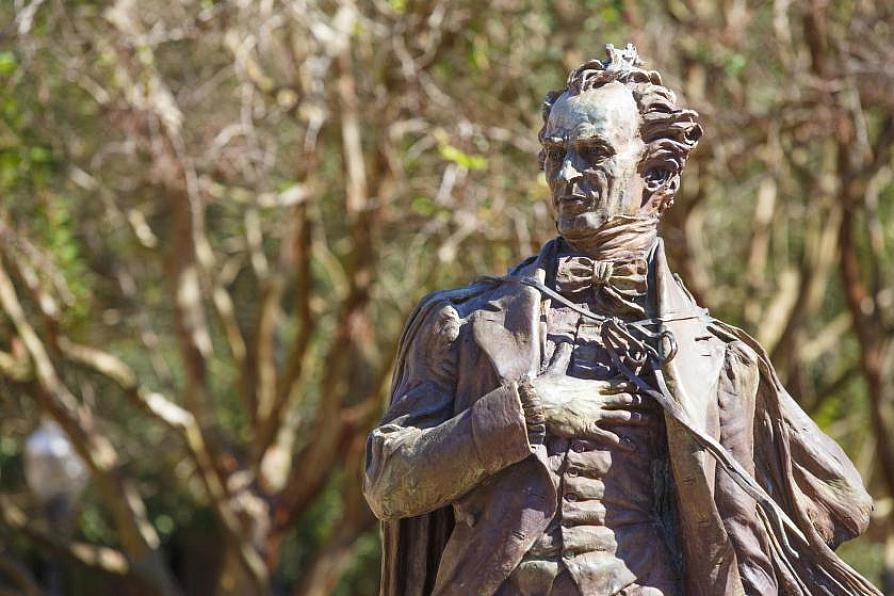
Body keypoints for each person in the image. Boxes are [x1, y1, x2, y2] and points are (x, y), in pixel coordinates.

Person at [362, 44, 878, 596]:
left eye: (593, 152)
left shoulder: (720, 361)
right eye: (554, 153)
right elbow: (388, 483)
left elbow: (842, 501)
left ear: (656, 173)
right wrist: (521, 412)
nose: (566, 174)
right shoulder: (460, 324)